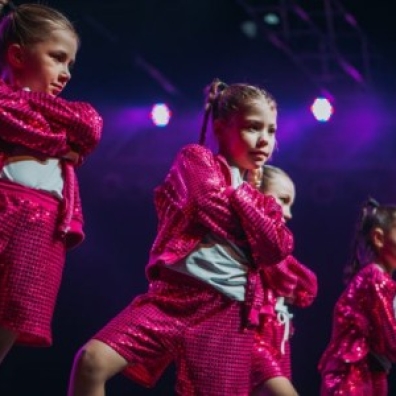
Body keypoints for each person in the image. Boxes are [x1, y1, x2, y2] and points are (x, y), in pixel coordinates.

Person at [67, 79, 295, 396]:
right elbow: (207, 204)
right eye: (253, 127)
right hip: (172, 299)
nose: (264, 140)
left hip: (224, 313)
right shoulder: (196, 159)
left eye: (271, 131)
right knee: (91, 361)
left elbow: (277, 248)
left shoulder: (262, 200)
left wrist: (241, 200)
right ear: (220, 127)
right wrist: (252, 228)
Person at [0, 1, 102, 364]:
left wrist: (46, 127)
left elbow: (89, 125)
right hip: (5, 209)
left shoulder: (68, 112)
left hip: (44, 229)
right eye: (57, 58)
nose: (66, 73)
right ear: (17, 55)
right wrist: (61, 143)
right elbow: (10, 115)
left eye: (70, 64)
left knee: (12, 321)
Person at [248, 165, 317, 396]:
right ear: (256, 192)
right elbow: (293, 281)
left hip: (277, 342)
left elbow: (306, 289)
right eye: (283, 200)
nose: (288, 214)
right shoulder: (256, 242)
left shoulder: (276, 248)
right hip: (254, 343)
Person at [318, 198, 396, 395]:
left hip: (372, 374)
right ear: (379, 238)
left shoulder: (381, 278)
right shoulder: (374, 277)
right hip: (353, 378)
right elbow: (391, 336)